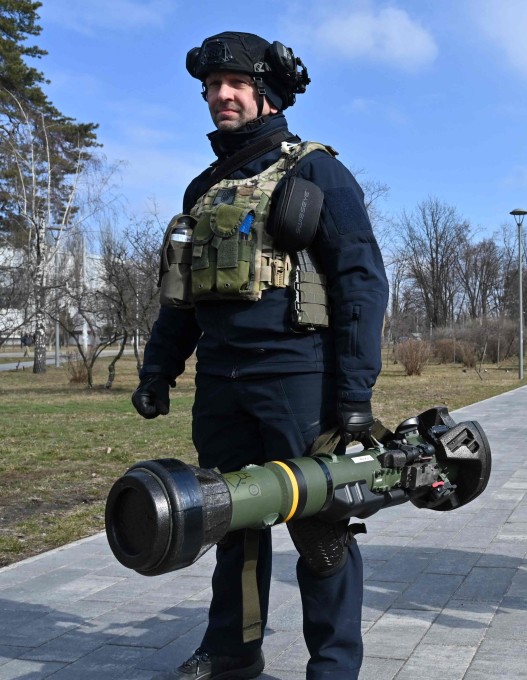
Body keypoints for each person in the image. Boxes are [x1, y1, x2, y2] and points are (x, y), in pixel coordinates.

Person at [132, 31, 388, 680]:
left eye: (235, 84)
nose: (221, 95)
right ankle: (233, 651)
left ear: (267, 94)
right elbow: (179, 296)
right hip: (222, 383)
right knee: (231, 522)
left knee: (321, 529)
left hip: (298, 379)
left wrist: (355, 395)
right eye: (212, 87)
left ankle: (333, 667)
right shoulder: (203, 190)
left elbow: (362, 282)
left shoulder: (313, 170)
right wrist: (158, 370)